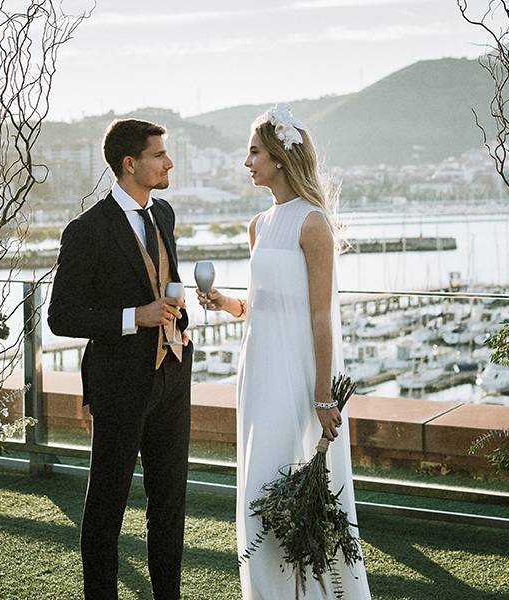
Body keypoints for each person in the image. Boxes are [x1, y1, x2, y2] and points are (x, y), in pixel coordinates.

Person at [198, 105, 371, 599]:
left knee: (299, 481)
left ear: (278, 157)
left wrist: (322, 395)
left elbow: (320, 316)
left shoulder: (313, 223)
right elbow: (261, 304)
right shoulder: (258, 225)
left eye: (253, 151)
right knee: (260, 484)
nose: (246, 162)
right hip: (258, 370)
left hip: (300, 374)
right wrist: (225, 302)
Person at [47, 119, 192, 600]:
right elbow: (62, 317)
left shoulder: (164, 213)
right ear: (130, 164)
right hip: (118, 383)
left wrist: (178, 323)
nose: (169, 162)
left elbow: (161, 282)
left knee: (169, 504)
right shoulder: (87, 230)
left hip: (173, 374)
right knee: (107, 506)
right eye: (159, 155)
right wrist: (138, 316)